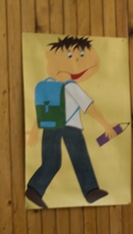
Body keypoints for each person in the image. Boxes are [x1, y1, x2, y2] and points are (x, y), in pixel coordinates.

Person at [26, 35, 119, 208]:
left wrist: (35, 130)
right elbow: (88, 107)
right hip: (70, 127)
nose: (76, 60)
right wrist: (105, 125)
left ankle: (35, 189)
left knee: (52, 161)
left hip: (51, 126)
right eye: (71, 56)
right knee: (80, 157)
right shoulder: (71, 86)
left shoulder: (50, 86)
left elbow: (43, 110)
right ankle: (90, 191)